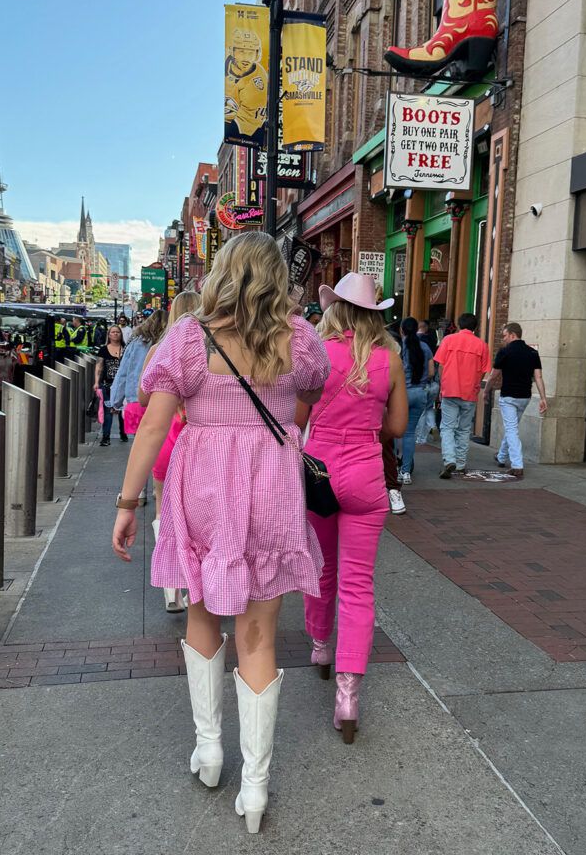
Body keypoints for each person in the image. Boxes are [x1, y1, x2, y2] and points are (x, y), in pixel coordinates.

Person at [111, 233, 330, 834]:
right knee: (259, 634)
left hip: (204, 484)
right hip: (275, 491)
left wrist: (128, 502)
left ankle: (210, 750)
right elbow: (309, 397)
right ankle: (254, 789)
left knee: (204, 611)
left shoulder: (188, 336)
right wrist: (276, 427)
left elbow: (153, 428)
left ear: (224, 275)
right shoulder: (300, 337)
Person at [298, 272, 408, 744]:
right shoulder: (390, 359)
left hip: (318, 471)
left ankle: (321, 647)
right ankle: (348, 694)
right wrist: (365, 430)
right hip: (365, 475)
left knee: (321, 567)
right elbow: (398, 427)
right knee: (358, 584)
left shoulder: (317, 355)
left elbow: (296, 418)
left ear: (334, 310)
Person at [139, 292, 200, 613]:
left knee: (163, 509)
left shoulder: (158, 350)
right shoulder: (208, 349)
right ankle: (193, 587)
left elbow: (143, 397)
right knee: (196, 518)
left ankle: (170, 591)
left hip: (166, 438)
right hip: (197, 441)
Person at [483, 322, 548, 479]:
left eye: (505, 335)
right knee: (512, 427)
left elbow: (493, 375)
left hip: (509, 397)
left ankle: (517, 465)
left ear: (513, 335)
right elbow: (538, 377)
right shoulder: (532, 353)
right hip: (525, 397)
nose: (503, 339)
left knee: (512, 429)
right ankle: (501, 456)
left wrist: (486, 391)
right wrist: (543, 398)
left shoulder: (504, 352)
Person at [435, 312, 491, 478]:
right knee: (464, 429)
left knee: (447, 427)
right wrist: (475, 384)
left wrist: (441, 387)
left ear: (459, 325)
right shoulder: (482, 345)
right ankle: (460, 463)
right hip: (469, 393)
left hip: (450, 390)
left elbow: (441, 366)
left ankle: (449, 459)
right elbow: (483, 371)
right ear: (476, 327)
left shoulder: (448, 340)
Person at [397, 317, 434, 484]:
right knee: (410, 433)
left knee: (394, 431)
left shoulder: (400, 347)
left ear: (402, 330)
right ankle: (406, 472)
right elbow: (432, 372)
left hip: (402, 393)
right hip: (420, 393)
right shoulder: (425, 347)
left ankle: (395, 467)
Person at [224, 28, 267, 146]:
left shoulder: (258, 85)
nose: (246, 58)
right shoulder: (224, 67)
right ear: (232, 52)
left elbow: (244, 128)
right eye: (241, 51)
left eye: (250, 52)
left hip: (242, 128)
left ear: (257, 54)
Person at [94, 326, 126, 445]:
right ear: (109, 335)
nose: (115, 334)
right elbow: (99, 366)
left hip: (122, 385)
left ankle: (123, 433)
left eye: (118, 332)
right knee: (107, 412)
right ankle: (105, 437)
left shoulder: (126, 349)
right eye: (113, 332)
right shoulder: (103, 350)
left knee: (122, 410)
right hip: (107, 385)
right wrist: (96, 382)